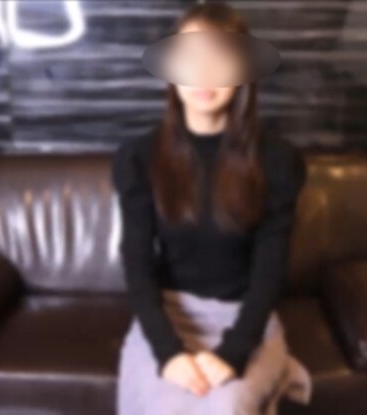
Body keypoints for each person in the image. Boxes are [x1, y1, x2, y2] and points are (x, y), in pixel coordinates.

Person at [112, 3, 311, 414]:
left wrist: (234, 352)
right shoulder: (138, 158)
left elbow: (270, 269)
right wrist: (168, 353)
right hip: (169, 315)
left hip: (246, 321)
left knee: (225, 407)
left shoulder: (278, 160)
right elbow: (136, 261)